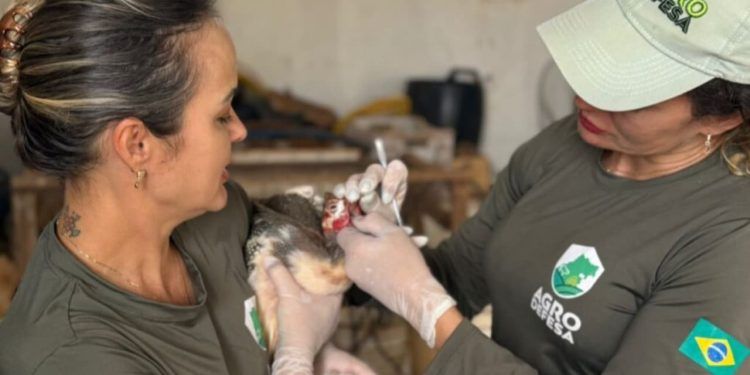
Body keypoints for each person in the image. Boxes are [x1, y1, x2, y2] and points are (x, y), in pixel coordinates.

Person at [335, 0, 750, 373]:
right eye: (601, 61)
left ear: (721, 118)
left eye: (630, 94)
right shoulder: (565, 144)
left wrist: (429, 309)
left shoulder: (731, 241)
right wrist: (363, 247)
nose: (585, 97)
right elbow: (460, 275)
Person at [0, 1, 371, 374]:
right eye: (222, 115)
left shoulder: (219, 221)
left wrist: (368, 233)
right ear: (137, 146)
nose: (240, 130)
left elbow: (326, 247)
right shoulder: (70, 355)